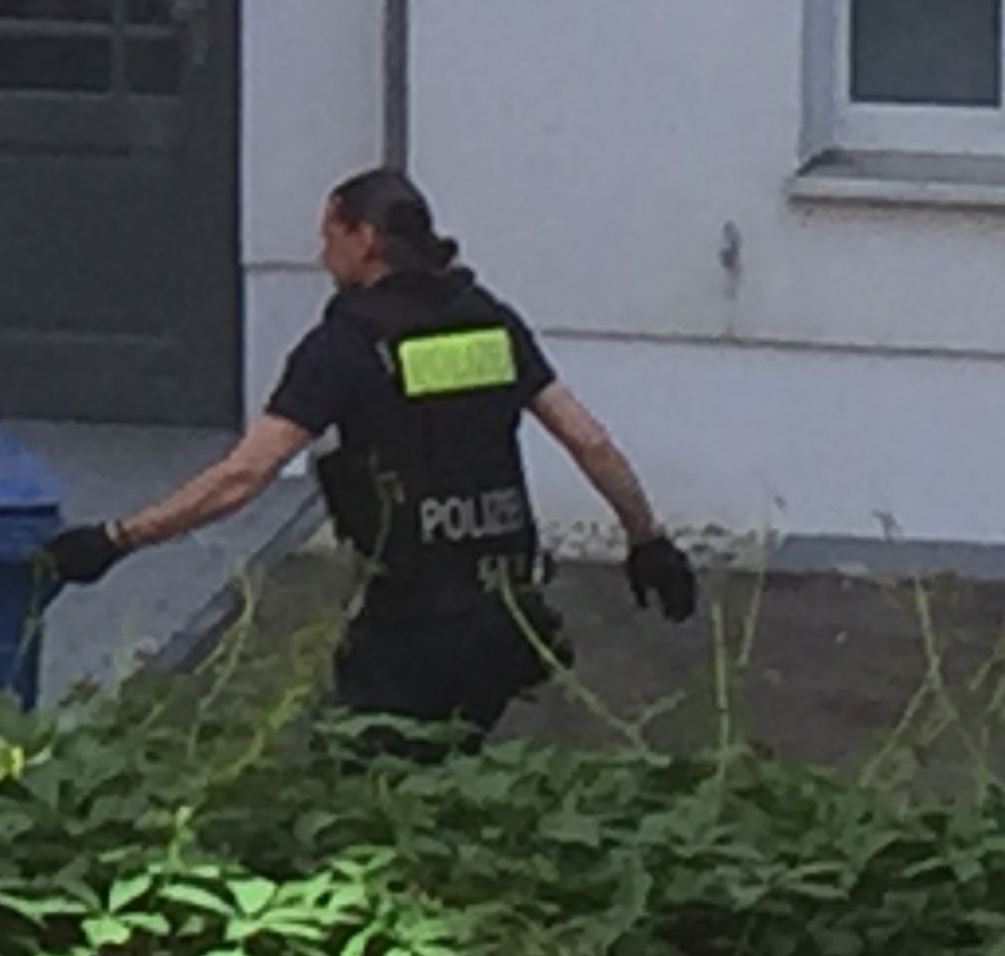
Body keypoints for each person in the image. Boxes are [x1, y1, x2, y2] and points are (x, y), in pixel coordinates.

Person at [40, 167, 699, 748]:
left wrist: (117, 539)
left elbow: (243, 476)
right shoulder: (490, 322)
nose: (324, 257)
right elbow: (589, 441)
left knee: (356, 788)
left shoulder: (346, 345)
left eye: (330, 237)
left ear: (366, 239)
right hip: (505, 616)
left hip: (408, 627)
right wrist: (648, 541)